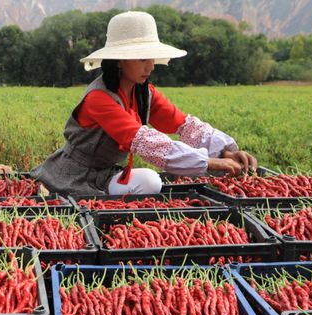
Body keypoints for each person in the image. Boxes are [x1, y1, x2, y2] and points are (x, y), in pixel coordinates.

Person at [31, 11, 257, 196]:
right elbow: (146, 142)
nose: (150, 67)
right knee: (151, 181)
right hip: (74, 175)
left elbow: (183, 124)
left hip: (107, 173)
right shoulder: (99, 98)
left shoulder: (144, 92)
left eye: (151, 58)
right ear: (119, 60)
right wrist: (209, 163)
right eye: (142, 59)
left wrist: (225, 151)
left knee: (161, 179)